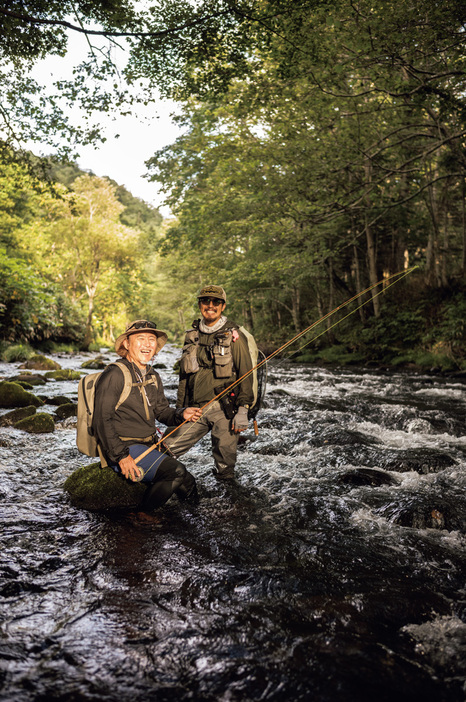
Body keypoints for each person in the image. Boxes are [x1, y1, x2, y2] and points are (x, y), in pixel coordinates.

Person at [93, 319, 202, 511]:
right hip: (124, 448)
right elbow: (102, 419)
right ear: (127, 344)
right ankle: (143, 518)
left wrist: (181, 413)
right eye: (140, 338)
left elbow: (161, 411)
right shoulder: (114, 374)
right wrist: (121, 457)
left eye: (151, 339)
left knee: (189, 483)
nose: (147, 344)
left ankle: (196, 520)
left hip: (149, 445)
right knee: (176, 472)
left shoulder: (152, 375)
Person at [163, 285, 254, 480]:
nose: (210, 305)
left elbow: (246, 373)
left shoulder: (235, 336)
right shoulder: (192, 335)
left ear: (223, 306)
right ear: (200, 304)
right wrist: (180, 411)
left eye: (216, 302)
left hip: (225, 408)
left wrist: (243, 410)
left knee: (225, 466)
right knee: (164, 449)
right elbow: (184, 378)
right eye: (206, 301)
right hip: (194, 408)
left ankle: (228, 501)